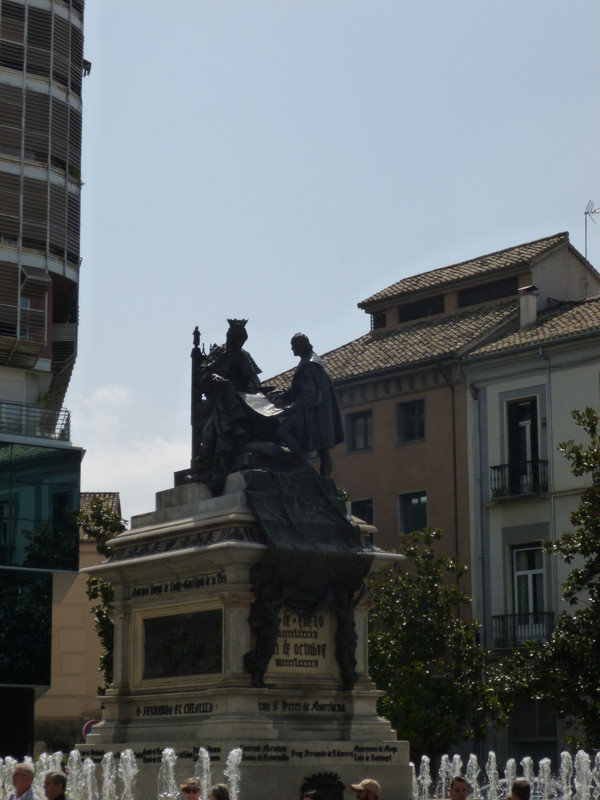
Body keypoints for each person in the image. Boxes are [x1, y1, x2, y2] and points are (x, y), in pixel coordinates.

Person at [278, 332, 344, 476]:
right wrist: (287, 393)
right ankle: (325, 482)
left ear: (300, 346)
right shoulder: (312, 360)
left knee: (283, 431)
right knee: (323, 451)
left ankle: (303, 465)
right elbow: (306, 386)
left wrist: (290, 409)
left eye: (293, 346)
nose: (292, 349)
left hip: (313, 415)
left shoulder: (309, 364)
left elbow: (310, 394)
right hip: (320, 413)